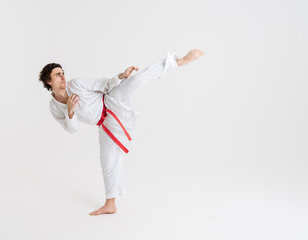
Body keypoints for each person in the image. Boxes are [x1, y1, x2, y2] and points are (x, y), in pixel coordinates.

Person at [38, 49, 204, 216]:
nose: (63, 77)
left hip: (112, 98)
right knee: (108, 162)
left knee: (137, 79)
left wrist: (121, 76)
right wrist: (70, 111)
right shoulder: (54, 107)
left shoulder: (77, 84)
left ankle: (177, 62)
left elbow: (102, 84)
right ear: (48, 81)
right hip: (104, 124)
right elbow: (71, 129)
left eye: (63, 73)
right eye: (58, 75)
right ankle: (110, 205)